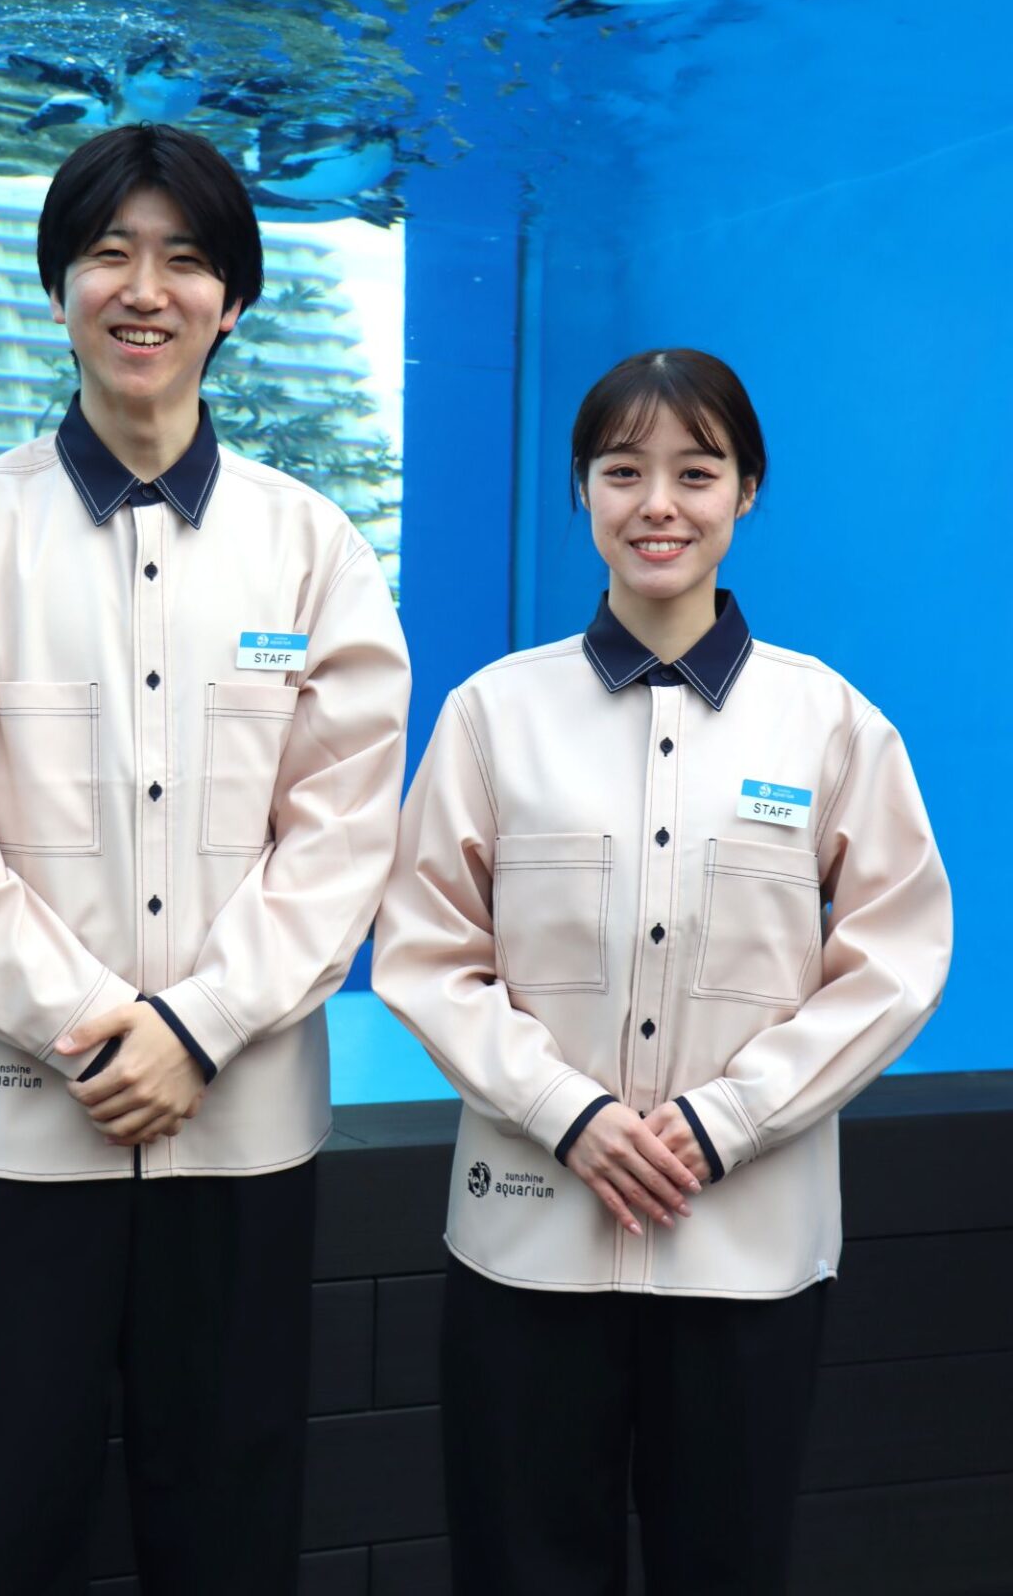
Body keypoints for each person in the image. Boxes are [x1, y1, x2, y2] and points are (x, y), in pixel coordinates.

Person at [0, 123, 410, 1596]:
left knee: (229, 1517)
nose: (144, 289)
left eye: (184, 259)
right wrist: (99, 1028)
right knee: (4, 1513)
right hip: (11, 1129)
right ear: (58, 289)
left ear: (234, 300)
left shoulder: (313, 548)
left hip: (240, 1127)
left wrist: (200, 1026)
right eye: (108, 254)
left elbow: (344, 827)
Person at [372, 347, 950, 1596]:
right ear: (580, 488)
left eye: (696, 471)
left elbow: (894, 958)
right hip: (529, 1239)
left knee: (723, 1565)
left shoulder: (829, 723)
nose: (657, 505)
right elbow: (424, 951)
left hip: (744, 1249)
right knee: (520, 1568)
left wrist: (726, 1119)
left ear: (746, 490)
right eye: (622, 470)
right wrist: (565, 1112)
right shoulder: (492, 715)